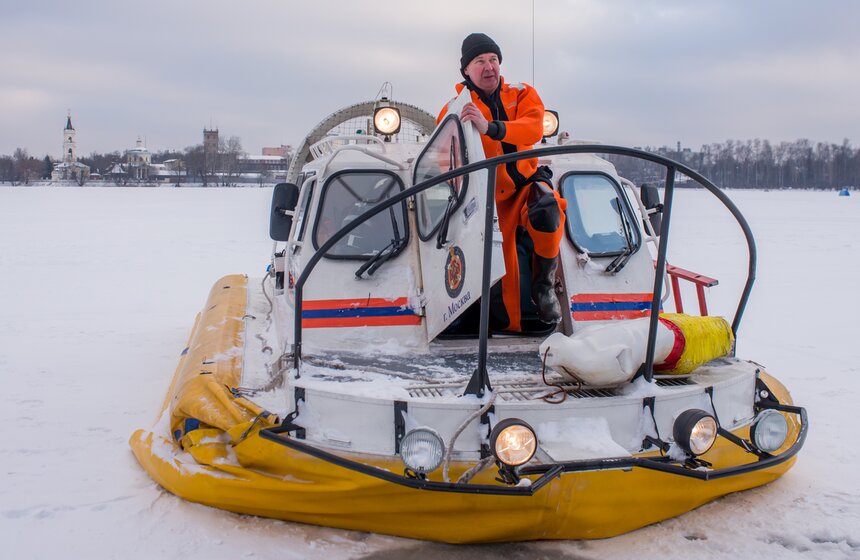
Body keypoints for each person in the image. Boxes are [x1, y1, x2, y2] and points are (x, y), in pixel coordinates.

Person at [437, 32, 567, 331]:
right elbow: (445, 159)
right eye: (480, 61)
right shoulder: (453, 110)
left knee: (548, 208)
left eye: (493, 59)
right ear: (466, 70)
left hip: (525, 185)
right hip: (485, 199)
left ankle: (544, 286)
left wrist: (491, 127)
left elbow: (533, 129)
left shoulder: (522, 93)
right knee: (507, 299)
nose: (489, 67)